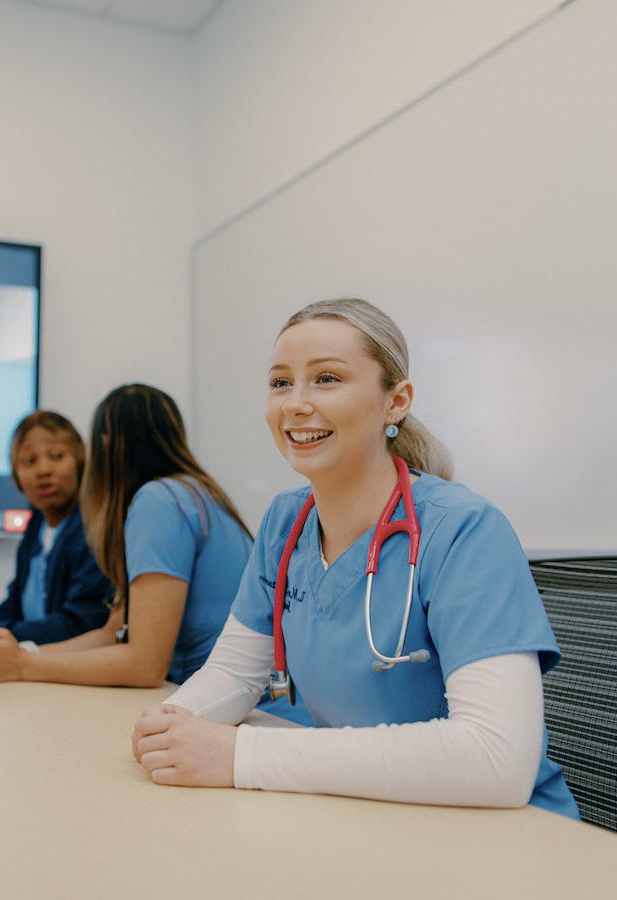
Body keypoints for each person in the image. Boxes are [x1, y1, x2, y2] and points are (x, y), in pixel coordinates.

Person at [131, 298, 578, 818]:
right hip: (367, 813)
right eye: (280, 383)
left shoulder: (463, 530)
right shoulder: (286, 521)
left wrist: (241, 756)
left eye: (326, 379)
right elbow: (236, 675)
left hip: (500, 838)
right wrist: (172, 722)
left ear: (397, 402)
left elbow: (496, 759)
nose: (295, 404)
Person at [0, 384, 255, 691]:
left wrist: (22, 665)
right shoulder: (196, 493)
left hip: (230, 704)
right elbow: (111, 632)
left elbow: (144, 666)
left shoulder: (159, 502)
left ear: (103, 445)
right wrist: (20, 655)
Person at [0, 410, 110, 651]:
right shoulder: (36, 523)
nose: (43, 470)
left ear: (80, 462)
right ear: (16, 475)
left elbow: (78, 624)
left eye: (57, 456)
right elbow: (17, 603)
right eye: (29, 461)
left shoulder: (93, 530)